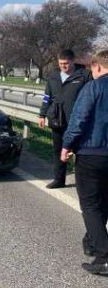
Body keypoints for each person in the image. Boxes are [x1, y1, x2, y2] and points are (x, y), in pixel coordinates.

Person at [61, 50, 108, 276]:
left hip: (91, 154)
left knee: (90, 205)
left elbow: (79, 120)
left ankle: (104, 255)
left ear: (97, 66)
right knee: (104, 202)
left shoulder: (93, 88)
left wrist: (66, 145)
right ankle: (92, 241)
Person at [38, 49, 92, 189]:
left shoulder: (84, 76)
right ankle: (59, 179)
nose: (63, 66)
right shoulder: (53, 77)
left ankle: (82, 181)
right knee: (58, 151)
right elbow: (46, 98)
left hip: (77, 122)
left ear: (73, 61)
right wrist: (42, 115)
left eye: (66, 64)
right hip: (57, 120)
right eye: (61, 64)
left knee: (79, 152)